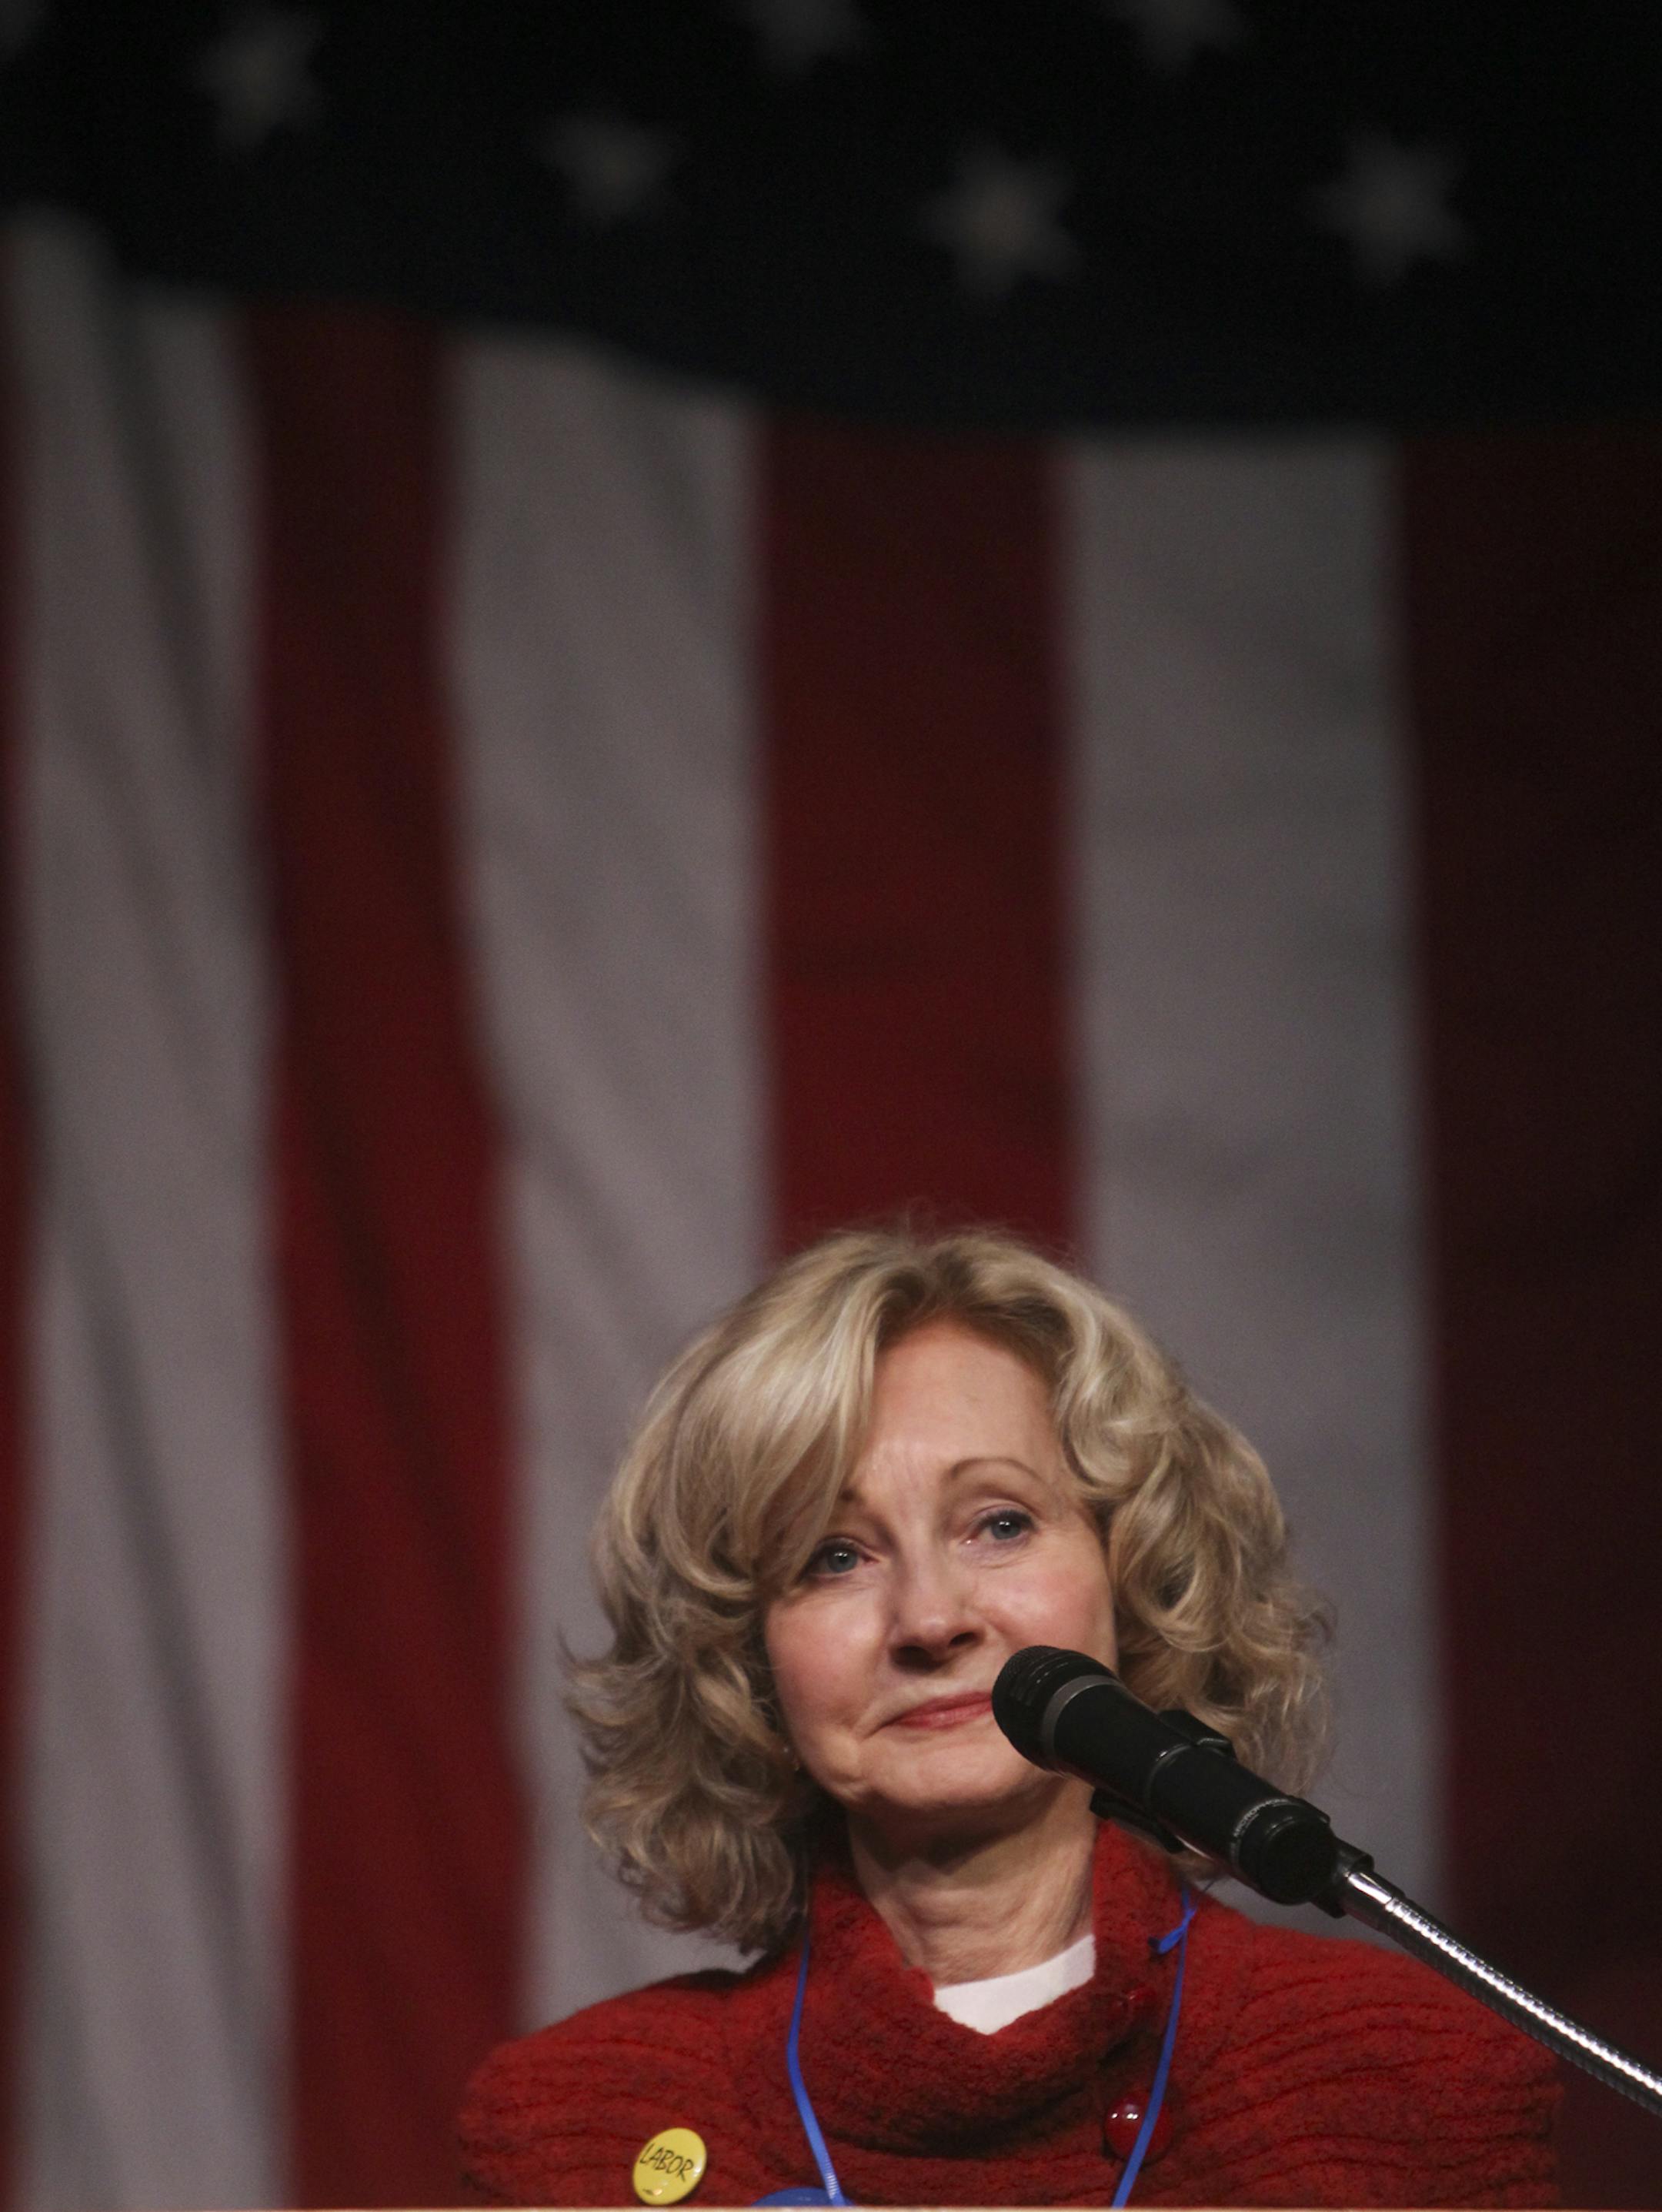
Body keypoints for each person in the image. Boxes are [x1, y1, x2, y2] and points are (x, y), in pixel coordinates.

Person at [460, 1228, 1557, 2208]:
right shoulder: (572, 2133)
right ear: (744, 1659)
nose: (930, 1618)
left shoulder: (1413, 2082)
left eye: (998, 1522)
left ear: (1127, 1576)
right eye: (834, 1556)